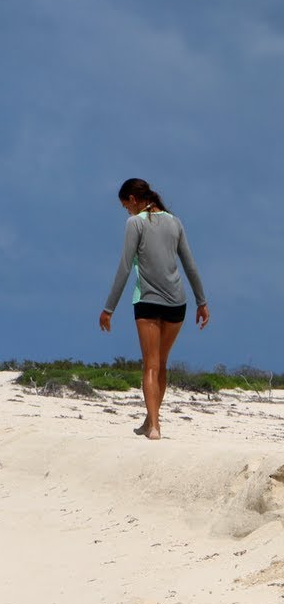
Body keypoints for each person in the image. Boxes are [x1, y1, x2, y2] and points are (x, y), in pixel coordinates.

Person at [99, 178, 209, 440]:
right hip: (177, 303)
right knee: (161, 364)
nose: (126, 210)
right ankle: (150, 420)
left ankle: (155, 428)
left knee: (150, 365)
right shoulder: (175, 221)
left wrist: (108, 308)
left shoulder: (135, 223)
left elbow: (125, 267)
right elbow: (190, 265)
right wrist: (201, 301)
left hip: (148, 301)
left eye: (126, 205)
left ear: (134, 200)